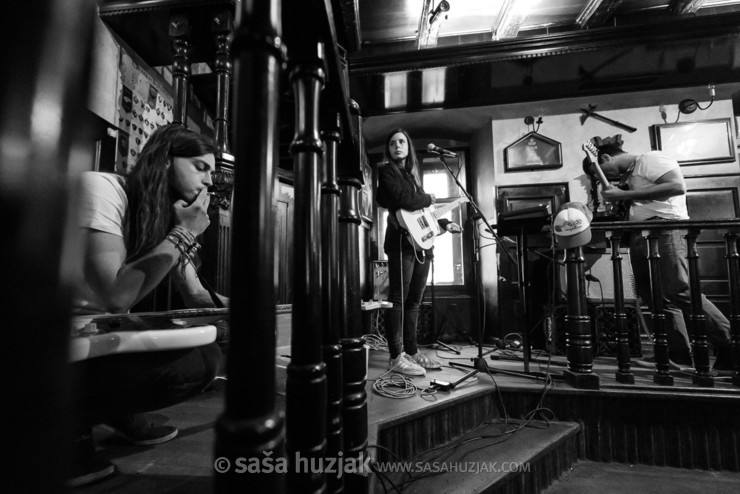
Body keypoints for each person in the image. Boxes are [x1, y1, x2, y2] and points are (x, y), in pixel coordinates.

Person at [68, 123, 227, 486]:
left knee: (205, 356)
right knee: (187, 365)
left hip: (92, 332)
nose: (208, 182)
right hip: (44, 334)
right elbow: (114, 296)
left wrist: (257, 306)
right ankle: (61, 424)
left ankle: (110, 408)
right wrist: (183, 234)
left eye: (211, 172)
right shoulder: (102, 189)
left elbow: (197, 295)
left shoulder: (165, 214)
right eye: (200, 167)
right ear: (166, 161)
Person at [592, 134, 732, 372]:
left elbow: (676, 187)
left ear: (605, 157)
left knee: (679, 290)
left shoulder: (650, 158)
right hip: (643, 233)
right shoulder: (632, 175)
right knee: (657, 299)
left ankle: (730, 343)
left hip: (666, 227)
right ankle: (679, 356)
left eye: (601, 170)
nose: (604, 176)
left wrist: (623, 195)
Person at [376, 129, 462, 376]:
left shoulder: (412, 177)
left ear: (408, 147)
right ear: (389, 149)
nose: (397, 146)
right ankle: (396, 356)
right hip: (401, 245)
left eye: (402, 141)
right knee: (398, 299)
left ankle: (412, 351)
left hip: (421, 245)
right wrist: (427, 198)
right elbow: (404, 199)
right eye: (392, 143)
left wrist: (444, 225)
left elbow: (422, 215)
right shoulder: (387, 172)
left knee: (414, 301)